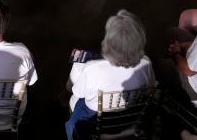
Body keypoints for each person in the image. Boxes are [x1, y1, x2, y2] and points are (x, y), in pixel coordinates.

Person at [64, 10, 154, 140]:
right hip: (130, 115)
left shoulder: (91, 68)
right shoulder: (146, 63)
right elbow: (150, 87)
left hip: (92, 118)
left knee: (73, 124)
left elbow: (77, 92)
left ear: (108, 41)